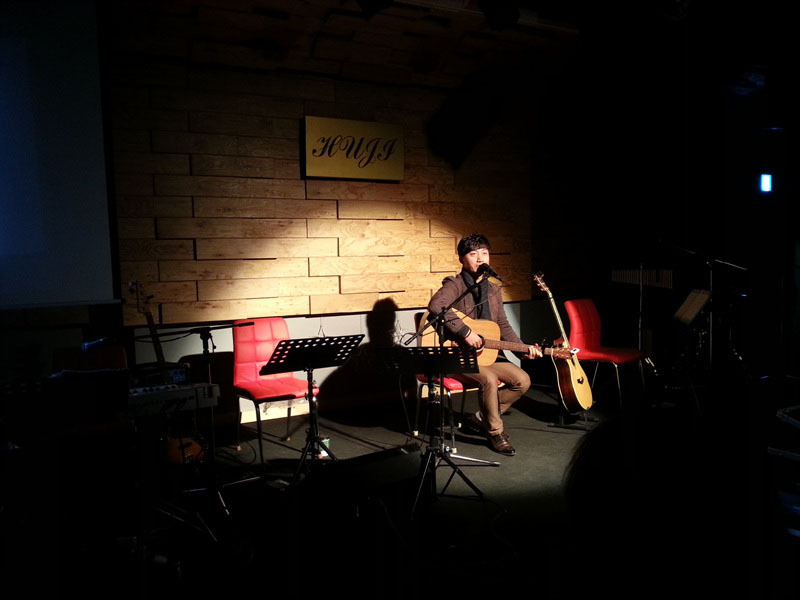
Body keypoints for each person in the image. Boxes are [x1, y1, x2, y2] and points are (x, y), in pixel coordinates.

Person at [427, 233, 542, 456]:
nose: (480, 259)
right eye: (473, 254)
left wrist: (523, 349)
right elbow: (436, 305)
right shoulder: (455, 284)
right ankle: (495, 432)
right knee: (488, 380)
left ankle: (481, 417)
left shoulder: (494, 289)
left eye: (484, 253)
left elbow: (503, 326)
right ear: (462, 259)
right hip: (458, 354)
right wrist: (465, 331)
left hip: (487, 354)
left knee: (522, 380)